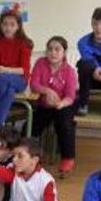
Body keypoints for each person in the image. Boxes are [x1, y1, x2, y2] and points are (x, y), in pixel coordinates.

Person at [30, 36, 78, 176]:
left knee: (64, 123)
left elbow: (70, 96)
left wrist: (59, 103)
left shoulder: (69, 71)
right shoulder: (40, 63)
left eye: (57, 49)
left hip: (64, 105)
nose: (53, 52)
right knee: (31, 125)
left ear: (64, 53)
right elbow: (34, 85)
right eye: (50, 49)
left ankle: (67, 157)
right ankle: (30, 156)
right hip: (44, 104)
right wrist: (48, 91)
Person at [0, 10, 34, 135]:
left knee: (2, 78)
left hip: (20, 80)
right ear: (0, 25)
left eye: (12, 24)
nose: (8, 28)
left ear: (18, 26)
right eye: (5, 24)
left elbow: (24, 70)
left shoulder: (25, 43)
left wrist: (4, 69)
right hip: (4, 83)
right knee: (9, 92)